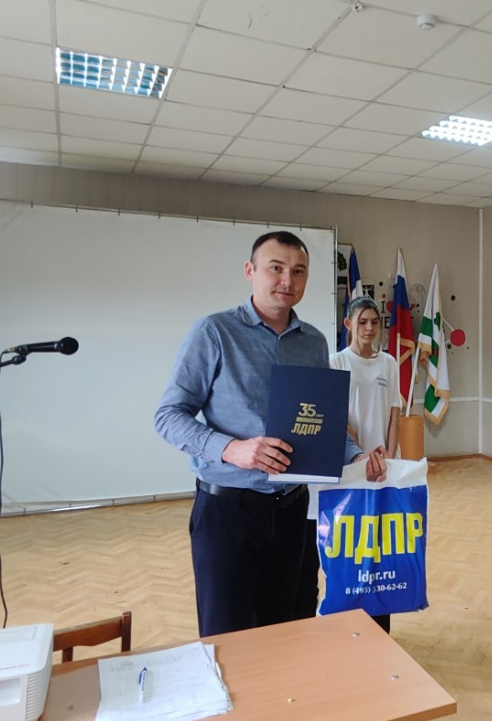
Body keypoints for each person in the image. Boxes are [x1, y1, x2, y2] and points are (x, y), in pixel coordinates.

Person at [155, 230, 385, 637]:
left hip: (293, 510)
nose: (287, 280)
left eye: (298, 271)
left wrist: (355, 455)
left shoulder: (313, 342)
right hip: (229, 511)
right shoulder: (213, 332)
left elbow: (323, 420)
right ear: (250, 270)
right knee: (228, 634)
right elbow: (168, 415)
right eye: (275, 268)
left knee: (285, 629)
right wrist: (231, 449)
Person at [322, 295, 400, 631]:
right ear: (348, 325)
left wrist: (389, 458)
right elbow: (337, 416)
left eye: (375, 322)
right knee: (348, 544)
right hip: (349, 466)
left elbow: (395, 414)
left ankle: (379, 621)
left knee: (380, 544)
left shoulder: (389, 363)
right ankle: (346, 618)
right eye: (362, 322)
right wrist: (359, 454)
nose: (369, 328)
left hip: (382, 468)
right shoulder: (336, 362)